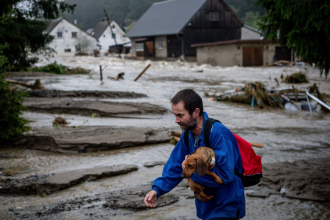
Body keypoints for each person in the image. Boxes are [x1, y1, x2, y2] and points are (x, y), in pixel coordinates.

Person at [144, 89, 245, 220]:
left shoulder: (219, 134)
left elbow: (226, 176)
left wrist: (191, 171)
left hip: (225, 206)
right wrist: (157, 190)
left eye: (180, 115)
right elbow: (175, 165)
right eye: (175, 115)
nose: (176, 120)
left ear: (196, 112)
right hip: (205, 205)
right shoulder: (188, 134)